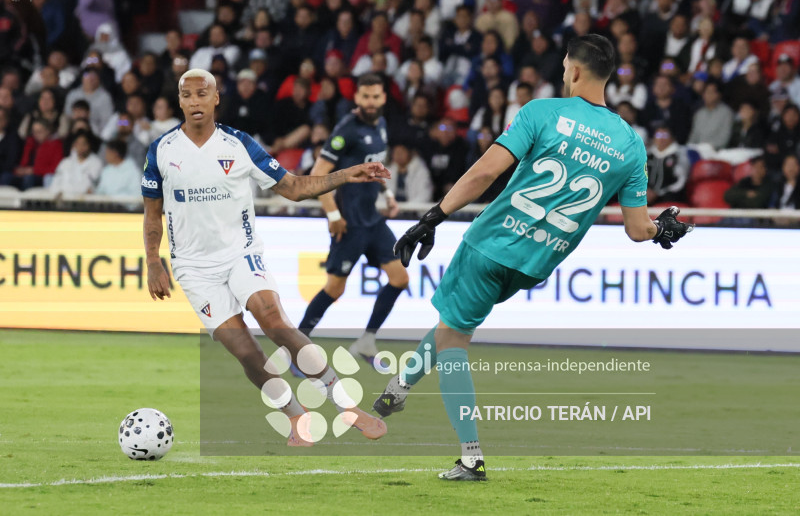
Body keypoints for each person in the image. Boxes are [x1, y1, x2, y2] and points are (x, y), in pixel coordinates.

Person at [372, 34, 693, 481]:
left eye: (564, 65)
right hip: (534, 264)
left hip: (490, 244)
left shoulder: (542, 112)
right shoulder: (630, 144)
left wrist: (431, 218)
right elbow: (639, 230)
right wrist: (664, 229)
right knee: (454, 322)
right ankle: (399, 387)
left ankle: (470, 456)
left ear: (575, 70)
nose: (562, 72)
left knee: (453, 343)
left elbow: (485, 171)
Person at [142, 69, 389, 447]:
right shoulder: (161, 150)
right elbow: (152, 214)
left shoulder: (238, 145)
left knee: (271, 317)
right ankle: (296, 417)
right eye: (187, 95)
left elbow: (293, 187)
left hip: (241, 253)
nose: (195, 102)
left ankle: (346, 406)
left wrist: (349, 173)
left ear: (216, 98)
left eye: (202, 94)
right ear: (179, 101)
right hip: (194, 269)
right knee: (245, 351)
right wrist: (153, 262)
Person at [298, 74, 408, 364]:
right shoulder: (346, 130)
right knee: (335, 288)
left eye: (375, 97)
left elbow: (376, 166)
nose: (370, 102)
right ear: (357, 98)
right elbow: (316, 177)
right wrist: (333, 214)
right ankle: (296, 349)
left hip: (372, 219)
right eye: (365, 97)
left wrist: (388, 195)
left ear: (383, 98)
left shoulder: (381, 126)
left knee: (400, 278)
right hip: (349, 222)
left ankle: (366, 342)